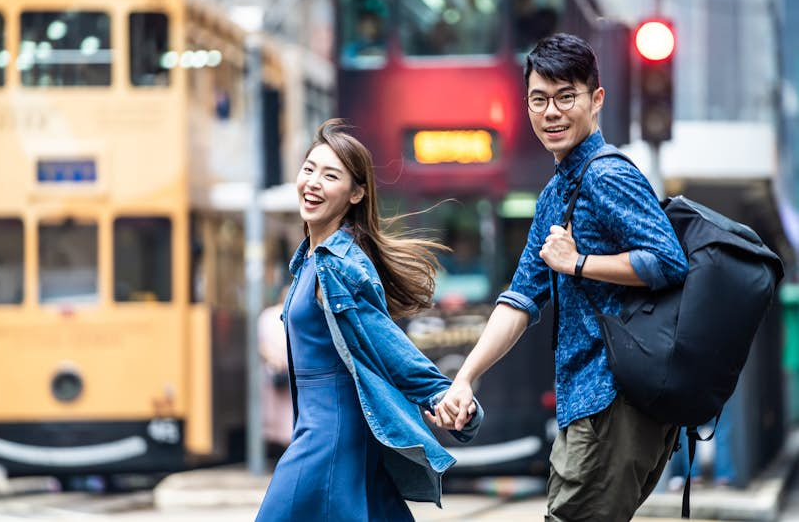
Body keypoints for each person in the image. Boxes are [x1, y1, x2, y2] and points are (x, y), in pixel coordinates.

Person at [433, 33, 689, 522]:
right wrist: (466, 377)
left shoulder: (606, 175)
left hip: (614, 397)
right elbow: (519, 299)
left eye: (565, 96)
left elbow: (667, 260)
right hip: (584, 404)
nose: (551, 112)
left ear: (596, 100)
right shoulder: (558, 191)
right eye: (538, 99)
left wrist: (578, 263)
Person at [255, 119, 482, 521]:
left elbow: (389, 347)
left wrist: (442, 396)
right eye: (309, 169)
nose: (313, 183)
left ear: (356, 193)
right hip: (323, 435)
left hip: (328, 443)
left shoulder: (339, 268)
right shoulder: (309, 261)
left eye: (330, 176)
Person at [258, 285, 293, 457]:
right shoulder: (291, 314)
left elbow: (261, 346)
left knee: (276, 415)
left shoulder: (267, 316)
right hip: (284, 371)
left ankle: (279, 452)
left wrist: (273, 360)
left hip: (275, 370)